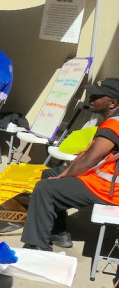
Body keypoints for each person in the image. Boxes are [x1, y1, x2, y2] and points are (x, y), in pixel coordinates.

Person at [22, 78, 119, 251]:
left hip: (109, 190)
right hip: (104, 179)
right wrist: (63, 173)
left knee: (46, 188)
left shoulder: (114, 125)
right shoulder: (112, 121)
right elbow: (88, 156)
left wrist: (65, 175)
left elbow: (90, 160)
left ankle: (37, 246)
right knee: (50, 174)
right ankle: (58, 233)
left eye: (96, 95)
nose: (90, 98)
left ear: (112, 103)